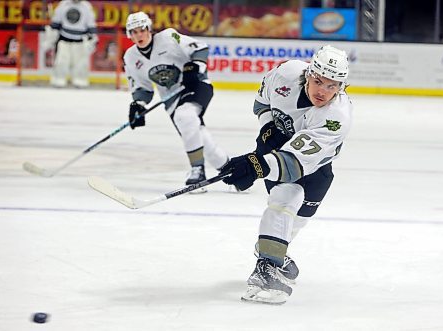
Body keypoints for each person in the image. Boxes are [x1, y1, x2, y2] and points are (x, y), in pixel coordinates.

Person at [220, 45, 353, 304]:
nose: (322, 92)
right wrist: (268, 127)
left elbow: (294, 163)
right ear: (309, 73)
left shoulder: (336, 117)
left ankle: (272, 251)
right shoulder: (286, 73)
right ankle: (267, 268)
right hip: (275, 145)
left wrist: (254, 165)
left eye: (331, 86)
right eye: (318, 82)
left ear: (341, 87)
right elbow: (262, 100)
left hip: (314, 167)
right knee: (286, 195)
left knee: (297, 220)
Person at [124, 11, 230, 186]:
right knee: (198, 135)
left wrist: (194, 67)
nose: (139, 35)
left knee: (185, 116)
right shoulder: (131, 57)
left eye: (141, 30)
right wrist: (139, 104)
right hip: (171, 100)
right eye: (134, 32)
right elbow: (142, 87)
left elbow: (200, 47)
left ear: (149, 28)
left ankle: (198, 170)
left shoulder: (169, 36)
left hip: (196, 85)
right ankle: (231, 170)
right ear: (130, 35)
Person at [44, 0, 98, 88]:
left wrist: (92, 38)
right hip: (64, 39)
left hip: (80, 40)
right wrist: (51, 35)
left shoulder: (86, 6)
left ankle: (80, 80)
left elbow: (91, 24)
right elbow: (56, 22)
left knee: (80, 63)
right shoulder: (64, 4)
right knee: (61, 61)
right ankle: (59, 79)